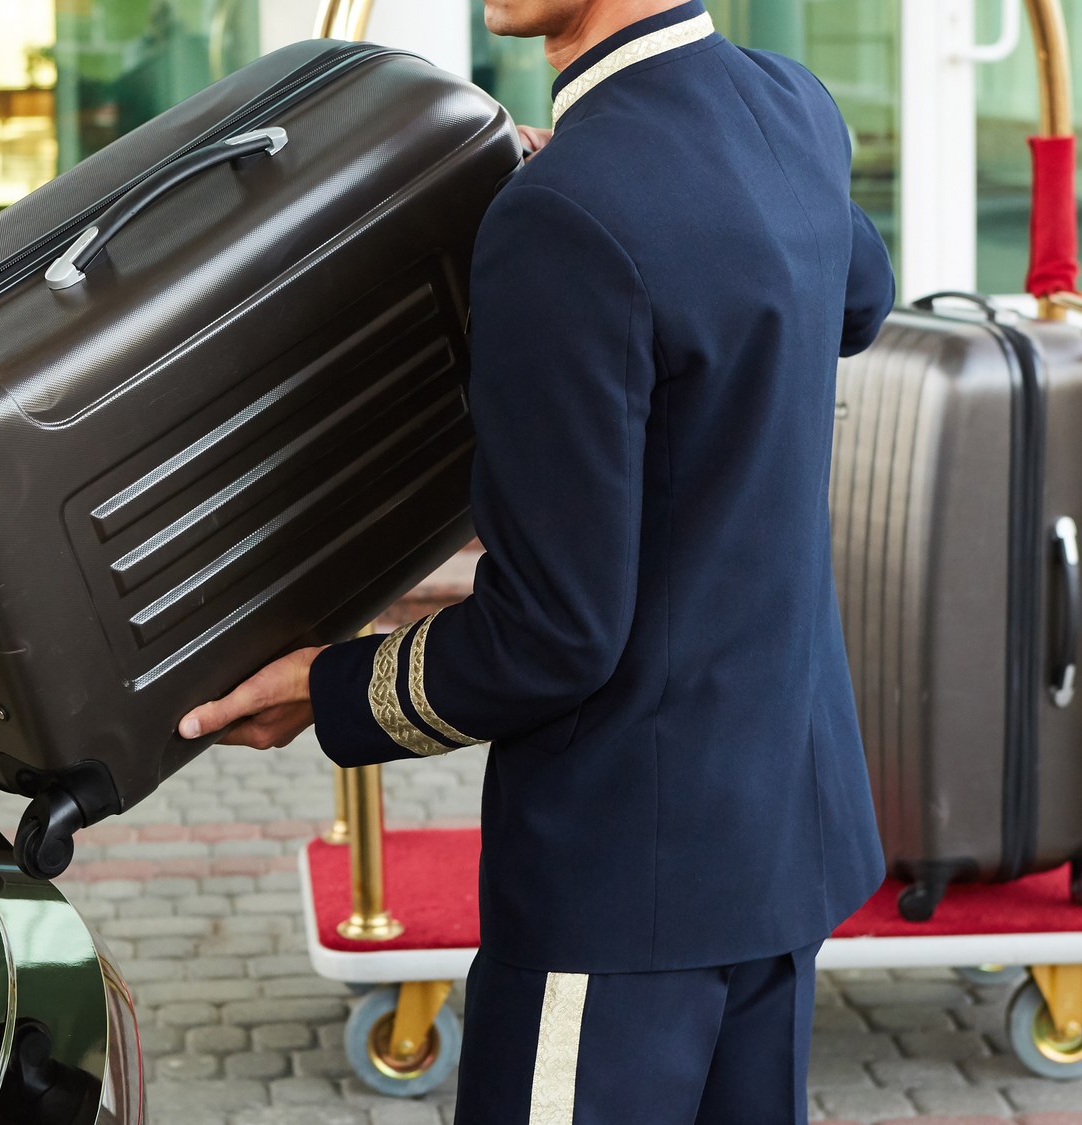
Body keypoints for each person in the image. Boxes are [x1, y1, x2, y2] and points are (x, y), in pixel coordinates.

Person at [179, 1, 896, 1118]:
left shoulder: (562, 211)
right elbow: (858, 297)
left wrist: (327, 689)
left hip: (621, 880)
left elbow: (551, 637)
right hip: (775, 845)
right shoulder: (787, 109)